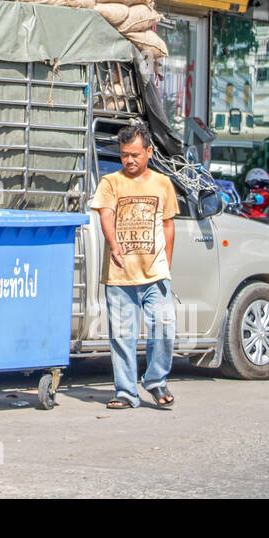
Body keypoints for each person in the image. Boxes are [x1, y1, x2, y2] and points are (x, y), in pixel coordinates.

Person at [89, 121, 178, 409]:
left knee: (164, 330)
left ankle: (155, 380)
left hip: (155, 274)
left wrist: (167, 264)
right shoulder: (110, 182)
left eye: (135, 155)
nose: (129, 160)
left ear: (149, 152)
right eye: (125, 154)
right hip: (119, 275)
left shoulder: (163, 184)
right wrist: (114, 245)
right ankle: (126, 392)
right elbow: (105, 214)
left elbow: (168, 225)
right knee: (123, 337)